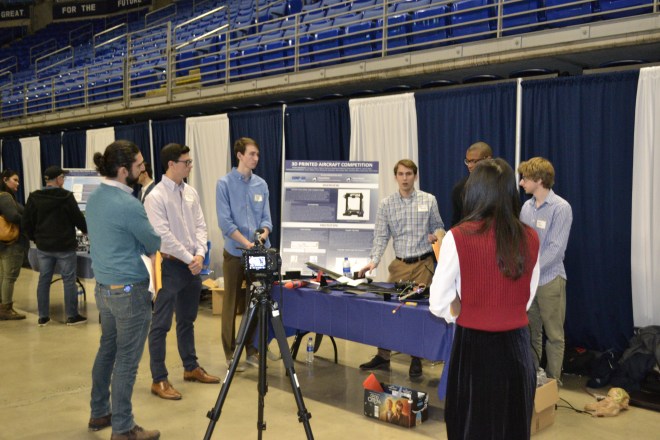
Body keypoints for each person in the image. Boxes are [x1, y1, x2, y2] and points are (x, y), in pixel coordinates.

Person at [430, 158, 540, 440]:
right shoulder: (530, 237)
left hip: (474, 348)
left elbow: (438, 302)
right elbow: (528, 296)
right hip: (517, 348)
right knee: (512, 427)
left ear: (474, 191)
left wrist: (463, 311)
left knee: (471, 427)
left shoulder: (457, 237)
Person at [86, 140, 161, 440]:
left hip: (104, 289)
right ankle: (123, 428)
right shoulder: (129, 205)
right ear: (122, 170)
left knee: (107, 350)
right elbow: (153, 242)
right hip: (130, 292)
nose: (143, 170)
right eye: (139, 166)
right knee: (127, 361)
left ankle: (99, 411)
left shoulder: (95, 198)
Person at [145, 143, 219, 401]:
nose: (189, 166)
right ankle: (159, 379)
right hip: (170, 266)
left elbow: (200, 225)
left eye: (190, 162)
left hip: (192, 266)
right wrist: (191, 259)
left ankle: (190, 367)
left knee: (187, 319)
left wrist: (200, 254)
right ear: (171, 164)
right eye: (186, 162)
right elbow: (163, 236)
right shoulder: (155, 197)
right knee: (161, 324)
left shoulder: (190, 192)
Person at [357, 159, 445, 378]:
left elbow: (439, 226)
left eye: (409, 174)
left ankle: (416, 358)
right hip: (399, 265)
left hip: (423, 264)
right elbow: (381, 236)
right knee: (387, 311)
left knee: (418, 312)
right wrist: (374, 261)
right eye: (401, 174)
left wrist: (437, 236)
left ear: (415, 176)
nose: (405, 178)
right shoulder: (386, 204)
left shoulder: (429, 200)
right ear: (395, 177)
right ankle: (383, 356)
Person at [216, 137, 273, 371]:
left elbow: (267, 219)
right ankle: (231, 353)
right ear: (239, 155)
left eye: (257, 154)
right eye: (251, 154)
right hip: (234, 252)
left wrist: (263, 235)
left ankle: (251, 349)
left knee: (255, 301)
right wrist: (246, 244)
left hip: (257, 253)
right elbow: (225, 222)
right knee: (231, 302)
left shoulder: (261, 185)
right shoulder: (224, 184)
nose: (256, 158)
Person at [518, 157, 573, 382]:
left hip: (550, 280)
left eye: (525, 178)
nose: (521, 183)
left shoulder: (561, 208)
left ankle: (552, 384)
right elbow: (521, 242)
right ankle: (532, 379)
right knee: (532, 333)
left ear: (539, 180)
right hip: (529, 282)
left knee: (554, 335)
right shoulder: (526, 207)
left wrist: (530, 270)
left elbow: (556, 250)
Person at [23, 165, 88, 326]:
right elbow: (78, 219)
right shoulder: (66, 197)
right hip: (65, 246)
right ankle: (72, 316)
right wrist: (87, 231)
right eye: (62, 178)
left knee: (44, 280)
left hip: (44, 246)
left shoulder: (34, 197)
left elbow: (26, 223)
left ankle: (43, 316)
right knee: (69, 280)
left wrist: (36, 238)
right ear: (58, 179)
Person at [0, 170, 28, 320]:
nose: (18, 183)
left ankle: (2, 305)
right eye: (15, 180)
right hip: (11, 243)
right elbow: (12, 216)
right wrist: (28, 221)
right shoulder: (5, 197)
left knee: (3, 275)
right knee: (9, 276)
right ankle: (6, 308)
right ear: (5, 180)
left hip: (2, 243)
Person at [450, 141, 492, 227]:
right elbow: (456, 222)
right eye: (467, 161)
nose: (469, 166)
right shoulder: (460, 188)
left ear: (488, 159)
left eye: (474, 161)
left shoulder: (501, 185)